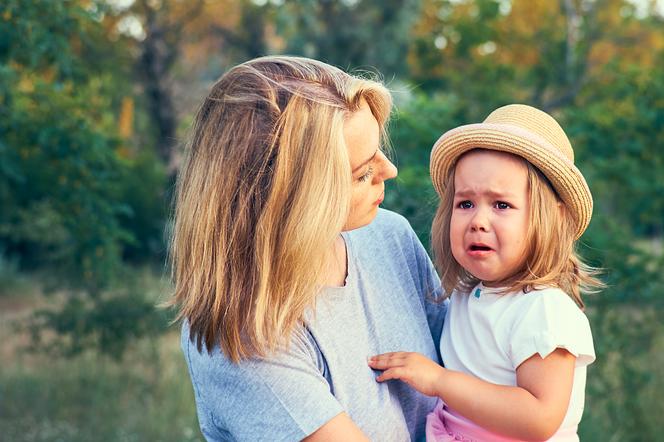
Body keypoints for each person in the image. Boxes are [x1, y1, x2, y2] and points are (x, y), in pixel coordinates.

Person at [168, 56, 447, 441]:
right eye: (362, 172)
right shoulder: (245, 338)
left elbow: (476, 367)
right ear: (296, 199)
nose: (390, 171)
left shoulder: (389, 236)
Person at [368, 104, 603, 441]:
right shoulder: (469, 293)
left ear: (550, 220)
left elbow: (539, 418)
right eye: (465, 204)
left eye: (501, 205)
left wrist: (438, 381)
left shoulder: (543, 311)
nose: (478, 220)